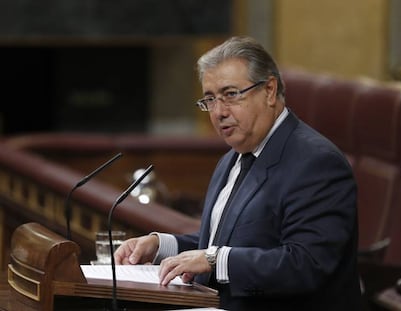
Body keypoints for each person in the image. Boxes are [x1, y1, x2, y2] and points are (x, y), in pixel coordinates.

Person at [115, 36, 362, 310]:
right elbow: (228, 241)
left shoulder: (316, 162)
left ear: (269, 90)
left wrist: (212, 260)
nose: (219, 112)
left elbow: (306, 264)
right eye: (210, 99)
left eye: (230, 95)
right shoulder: (232, 158)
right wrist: (161, 245)